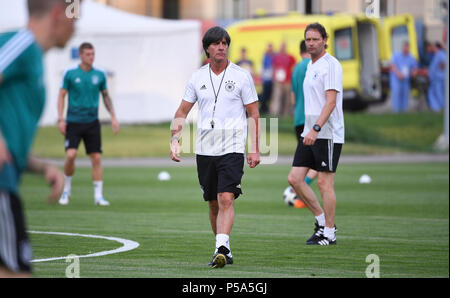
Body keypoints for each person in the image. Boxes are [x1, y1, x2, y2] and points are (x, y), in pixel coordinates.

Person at [170, 26, 260, 268]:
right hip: (204, 150)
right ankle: (224, 248)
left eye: (225, 43)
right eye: (216, 43)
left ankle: (220, 247)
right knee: (212, 202)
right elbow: (182, 111)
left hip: (232, 148)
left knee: (225, 197)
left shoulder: (242, 76)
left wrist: (254, 148)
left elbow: (253, 113)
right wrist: (175, 140)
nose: (222, 46)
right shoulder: (197, 77)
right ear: (207, 48)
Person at [0, 0, 77, 277]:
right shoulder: (21, 45)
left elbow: (9, 142)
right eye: (74, 20)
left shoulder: (32, 59)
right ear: (58, 14)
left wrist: (42, 168)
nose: (75, 29)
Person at [287, 22, 344, 245]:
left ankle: (329, 234)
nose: (311, 43)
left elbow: (330, 103)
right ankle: (322, 222)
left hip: (327, 132)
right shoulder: (311, 65)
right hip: (309, 132)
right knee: (295, 179)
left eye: (315, 39)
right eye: (308, 39)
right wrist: (308, 131)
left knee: (324, 183)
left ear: (324, 40)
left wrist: (316, 129)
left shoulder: (331, 65)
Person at [57, 42, 119, 206]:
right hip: (74, 122)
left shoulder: (99, 74)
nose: (91, 57)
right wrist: (60, 119)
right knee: (71, 155)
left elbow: (105, 96)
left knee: (96, 158)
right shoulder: (70, 73)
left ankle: (98, 196)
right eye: (88, 54)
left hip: (92, 122)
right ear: (80, 55)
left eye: (93, 54)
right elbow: (61, 95)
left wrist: (113, 116)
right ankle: (66, 191)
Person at [290, 40, 317, 196]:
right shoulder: (314, 67)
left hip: (298, 119)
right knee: (321, 162)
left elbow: (293, 98)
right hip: (313, 120)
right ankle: (298, 189)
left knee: (305, 160)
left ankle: (299, 189)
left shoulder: (296, 69)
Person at [389, 42, 418, 113]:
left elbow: (415, 68)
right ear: (402, 47)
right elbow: (392, 65)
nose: (406, 49)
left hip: (405, 80)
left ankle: (403, 111)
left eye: (407, 47)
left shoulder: (411, 57)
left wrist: (413, 73)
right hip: (396, 79)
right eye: (405, 47)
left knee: (405, 95)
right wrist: (398, 74)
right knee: (396, 94)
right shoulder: (396, 55)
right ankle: (396, 111)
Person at [270, 41, 296, 116]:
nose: (283, 48)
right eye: (282, 46)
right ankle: (274, 112)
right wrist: (274, 77)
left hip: (287, 81)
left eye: (284, 46)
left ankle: (286, 113)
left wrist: (291, 77)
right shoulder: (276, 57)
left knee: (287, 98)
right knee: (276, 97)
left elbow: (294, 67)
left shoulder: (290, 57)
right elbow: (273, 67)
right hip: (278, 81)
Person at [427, 42, 446, 112]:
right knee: (434, 93)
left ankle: (441, 108)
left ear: (437, 47)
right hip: (435, 79)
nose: (432, 48)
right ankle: (438, 108)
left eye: (433, 47)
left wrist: (442, 66)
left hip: (439, 78)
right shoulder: (436, 55)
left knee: (439, 93)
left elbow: (445, 61)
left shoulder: (440, 54)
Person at [260, 43, 274, 114]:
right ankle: (263, 109)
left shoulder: (274, 56)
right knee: (264, 95)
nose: (270, 49)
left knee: (271, 96)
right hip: (266, 80)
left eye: (271, 48)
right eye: (269, 48)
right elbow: (263, 68)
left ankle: (269, 109)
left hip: (272, 79)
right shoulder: (265, 56)